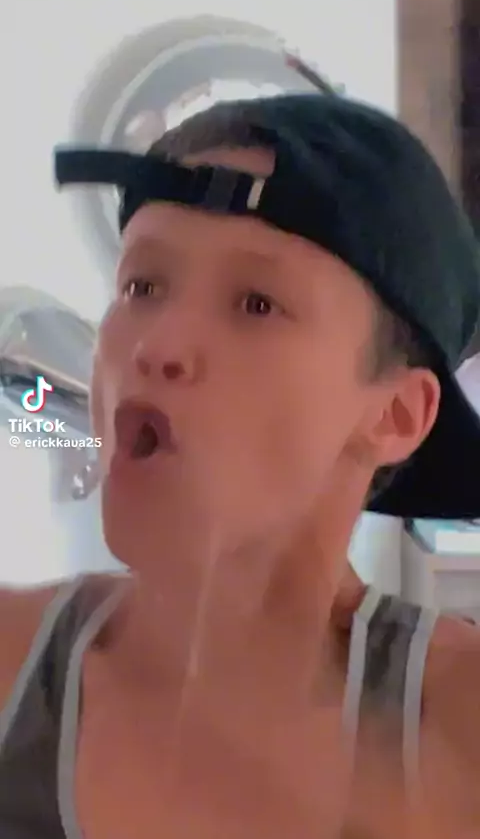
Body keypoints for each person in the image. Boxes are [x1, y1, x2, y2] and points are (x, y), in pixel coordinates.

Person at [2, 89, 480, 839]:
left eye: (256, 303)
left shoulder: (458, 725)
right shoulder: (11, 665)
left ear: (395, 415)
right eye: (142, 286)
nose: (156, 345)